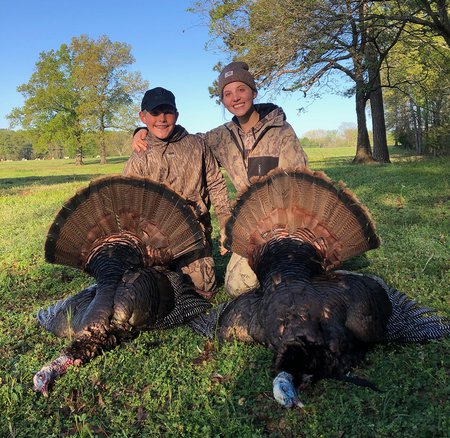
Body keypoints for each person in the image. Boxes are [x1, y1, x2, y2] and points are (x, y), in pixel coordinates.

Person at [132, 63, 308, 297]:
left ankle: (300, 268)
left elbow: (301, 185)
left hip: (286, 224)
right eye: (228, 93)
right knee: (237, 286)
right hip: (252, 226)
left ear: (253, 93)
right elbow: (181, 139)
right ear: (223, 100)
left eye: (241, 90)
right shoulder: (221, 136)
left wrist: (287, 230)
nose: (235, 98)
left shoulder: (281, 131)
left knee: (277, 280)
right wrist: (140, 130)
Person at [123, 87, 231, 299]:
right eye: (155, 113)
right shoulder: (140, 155)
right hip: (154, 242)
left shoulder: (196, 145)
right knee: (146, 294)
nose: (162, 119)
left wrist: (226, 222)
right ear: (143, 117)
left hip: (193, 236)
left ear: (177, 114)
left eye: (167, 112)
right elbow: (126, 205)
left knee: (204, 288)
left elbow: (216, 184)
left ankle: (176, 277)